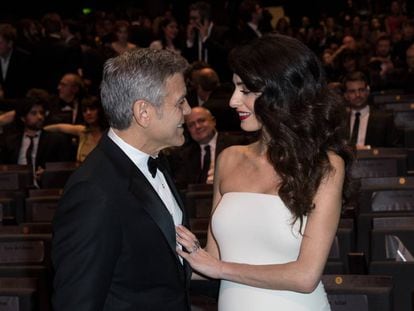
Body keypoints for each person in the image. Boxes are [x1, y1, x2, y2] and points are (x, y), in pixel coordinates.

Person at [175, 34, 353, 310]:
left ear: (280, 92)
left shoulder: (324, 165)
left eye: (245, 90)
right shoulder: (229, 159)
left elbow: (305, 276)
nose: (233, 101)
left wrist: (220, 268)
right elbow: (210, 260)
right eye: (235, 88)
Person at [52, 48, 192, 310]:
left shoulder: (157, 160)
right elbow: (77, 302)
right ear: (143, 112)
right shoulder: (94, 191)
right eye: (180, 101)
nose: (189, 110)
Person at [167, 106, 247, 189]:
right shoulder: (184, 155)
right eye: (191, 125)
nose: (197, 126)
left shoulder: (236, 144)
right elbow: (183, 186)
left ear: (213, 121)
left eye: (201, 121)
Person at [343, 71, 401, 148]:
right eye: (352, 91)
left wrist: (369, 150)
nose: (357, 95)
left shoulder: (385, 119)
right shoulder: (339, 120)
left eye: (361, 90)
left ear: (367, 91)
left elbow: (395, 151)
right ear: (346, 95)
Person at [44, 96, 108, 162]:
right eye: (84, 110)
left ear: (100, 110)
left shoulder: (110, 133)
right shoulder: (82, 131)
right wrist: (40, 130)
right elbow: (59, 127)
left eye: (92, 109)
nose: (88, 113)